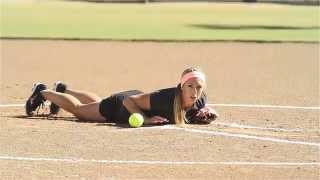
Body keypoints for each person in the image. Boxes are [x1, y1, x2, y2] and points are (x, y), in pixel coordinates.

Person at [25, 67, 218, 125]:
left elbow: (190, 111)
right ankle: (42, 92)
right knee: (79, 111)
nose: (194, 92)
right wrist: (147, 119)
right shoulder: (166, 98)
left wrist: (201, 114)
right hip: (122, 106)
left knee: (98, 102)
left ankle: (63, 89)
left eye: (198, 87)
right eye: (190, 86)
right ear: (182, 86)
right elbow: (128, 101)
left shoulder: (200, 99)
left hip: (133, 100)